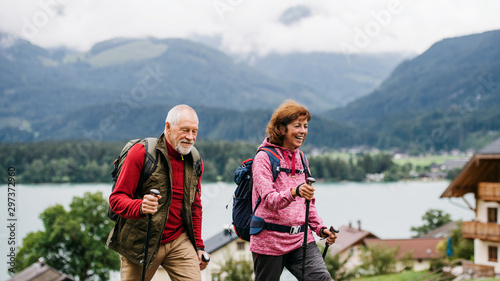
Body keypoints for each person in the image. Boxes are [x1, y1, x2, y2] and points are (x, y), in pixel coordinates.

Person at [107, 104, 209, 281]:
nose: (190, 137)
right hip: (141, 243)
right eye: (185, 130)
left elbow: (195, 206)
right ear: (168, 127)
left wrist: (198, 246)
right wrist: (140, 206)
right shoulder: (141, 153)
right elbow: (116, 200)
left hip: (179, 240)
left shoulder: (194, 160)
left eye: (194, 131)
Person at [251, 100, 337, 281]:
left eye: (305, 126)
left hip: (301, 239)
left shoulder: (302, 158)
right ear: (282, 129)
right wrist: (294, 191)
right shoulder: (263, 158)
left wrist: (320, 228)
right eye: (297, 126)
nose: (303, 131)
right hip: (269, 240)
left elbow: (309, 202)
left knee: (322, 279)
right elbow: (269, 200)